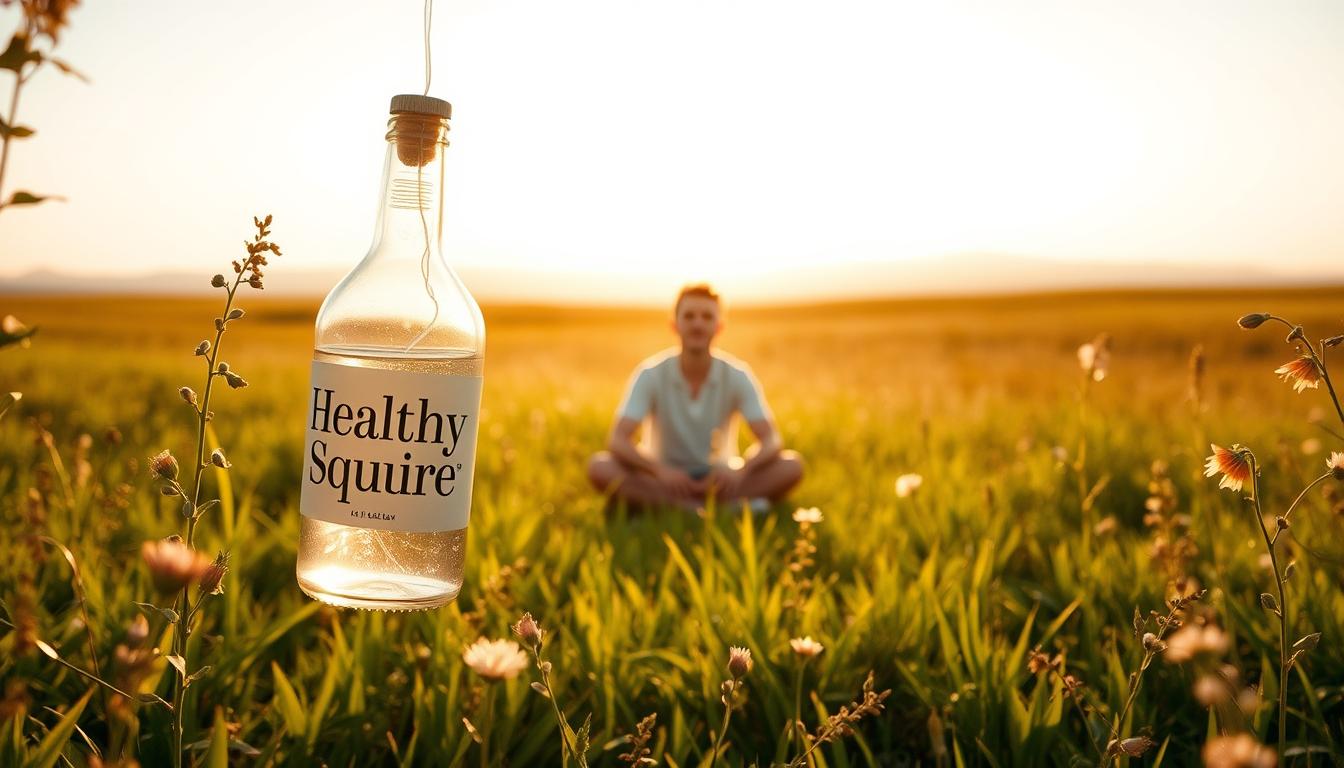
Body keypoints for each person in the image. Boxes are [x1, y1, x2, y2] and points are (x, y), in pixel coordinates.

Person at [587, 284, 804, 510]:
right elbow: (618, 440)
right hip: (663, 476)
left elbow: (771, 440)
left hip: (719, 477)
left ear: (719, 326)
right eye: (689, 316)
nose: (698, 324)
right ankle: (705, 507)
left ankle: (677, 506)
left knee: (791, 466)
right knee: (600, 467)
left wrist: (740, 470)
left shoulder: (738, 375)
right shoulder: (650, 373)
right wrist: (661, 472)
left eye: (707, 317)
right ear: (675, 325)